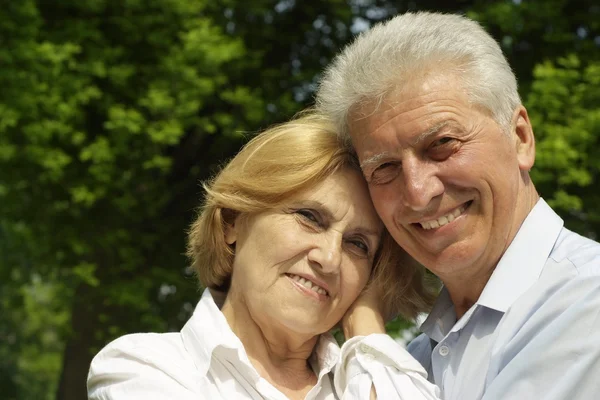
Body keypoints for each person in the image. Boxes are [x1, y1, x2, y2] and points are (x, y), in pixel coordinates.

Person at [315, 11, 600, 400]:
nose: (418, 193)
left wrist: (361, 324)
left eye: (442, 144)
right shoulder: (417, 357)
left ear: (520, 138)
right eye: (384, 168)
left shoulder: (586, 306)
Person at [87, 112, 442, 399]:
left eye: (358, 245)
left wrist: (365, 324)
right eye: (309, 217)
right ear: (232, 222)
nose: (330, 258)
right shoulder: (143, 366)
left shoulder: (376, 380)